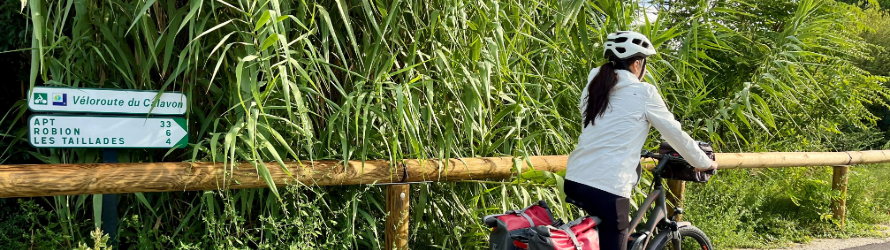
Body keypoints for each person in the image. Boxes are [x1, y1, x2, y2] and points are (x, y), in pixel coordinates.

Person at [564, 31, 718, 250]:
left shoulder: (593, 87)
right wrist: (704, 162)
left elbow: (603, 131)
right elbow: (675, 134)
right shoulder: (643, 92)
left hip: (575, 178)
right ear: (637, 64)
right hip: (608, 186)